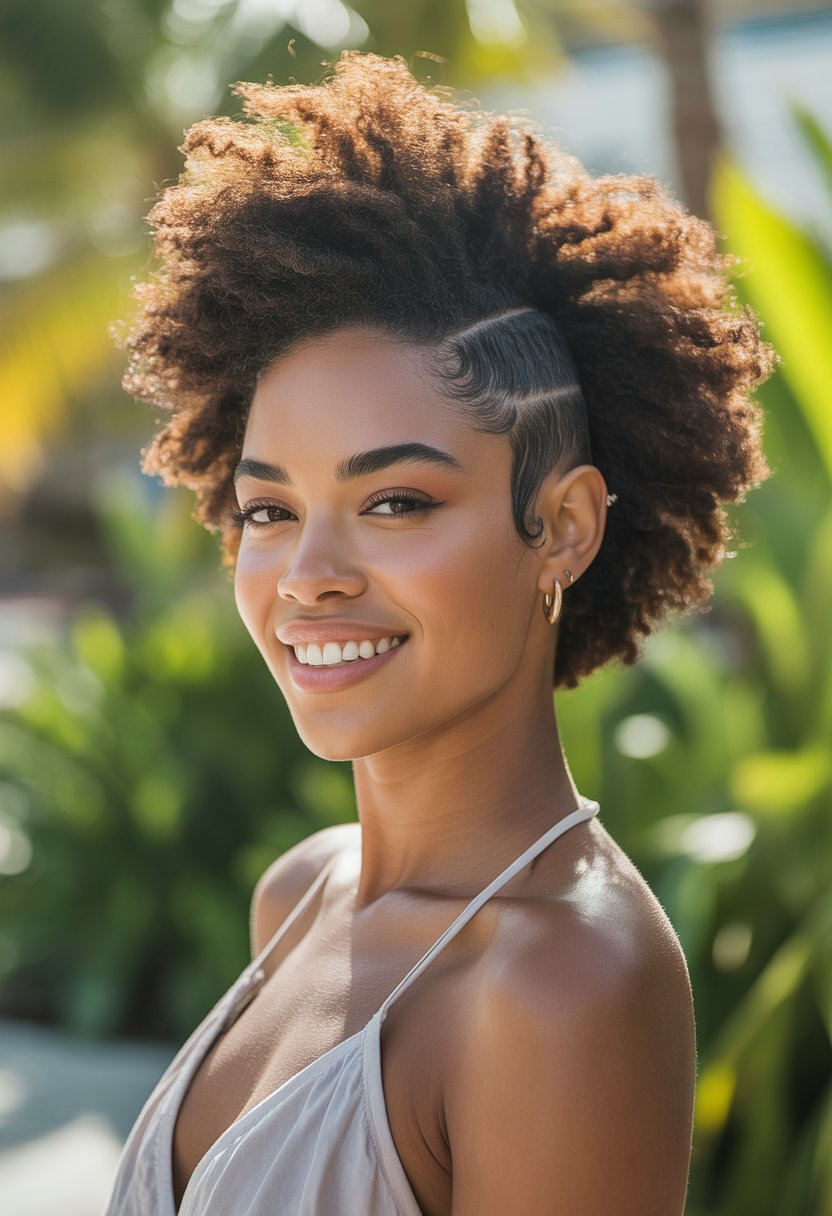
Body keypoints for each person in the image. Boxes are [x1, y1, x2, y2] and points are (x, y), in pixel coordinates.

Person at [103, 52, 774, 1216]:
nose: (307, 576)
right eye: (270, 509)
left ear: (559, 527)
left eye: (395, 502)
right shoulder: (303, 894)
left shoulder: (563, 981)